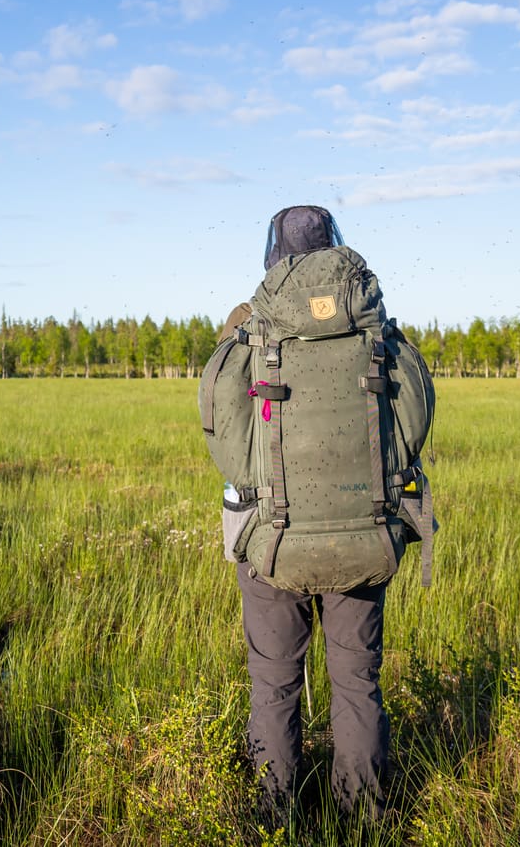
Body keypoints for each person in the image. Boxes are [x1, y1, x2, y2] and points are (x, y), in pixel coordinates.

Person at [218, 206, 391, 821]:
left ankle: (275, 817)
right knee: (356, 683)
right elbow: (414, 420)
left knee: (274, 685)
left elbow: (226, 435)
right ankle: (364, 817)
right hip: (365, 541)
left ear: (273, 253)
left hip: (273, 543)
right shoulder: (372, 321)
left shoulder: (249, 321)